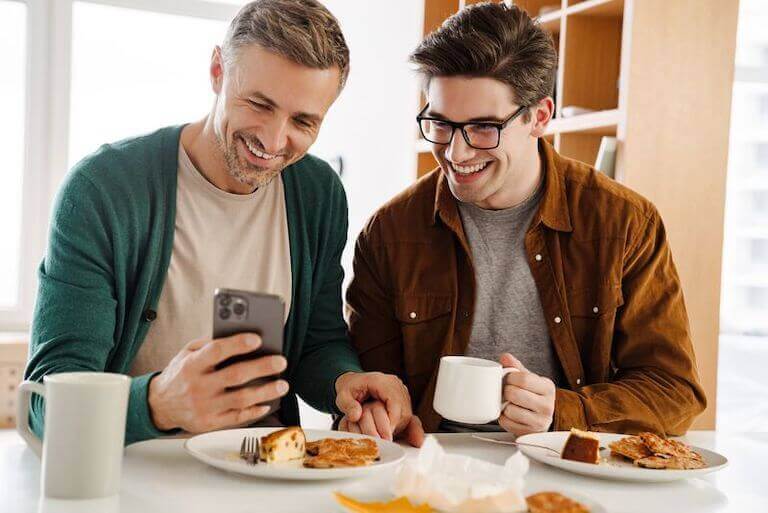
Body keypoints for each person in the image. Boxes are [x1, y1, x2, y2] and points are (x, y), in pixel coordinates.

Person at [25, 0, 414, 445]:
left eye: (303, 121)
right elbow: (45, 403)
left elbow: (316, 343)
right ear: (216, 70)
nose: (273, 139)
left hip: (265, 474)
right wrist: (157, 403)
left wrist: (344, 382)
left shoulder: (318, 194)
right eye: (258, 104)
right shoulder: (104, 189)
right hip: (134, 477)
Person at [343, 2, 706, 437]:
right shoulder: (390, 234)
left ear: (540, 116)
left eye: (482, 128)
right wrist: (371, 412)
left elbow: (675, 392)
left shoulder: (624, 223)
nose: (456, 154)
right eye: (440, 124)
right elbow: (369, 385)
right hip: (430, 472)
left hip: (571, 469)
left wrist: (563, 410)